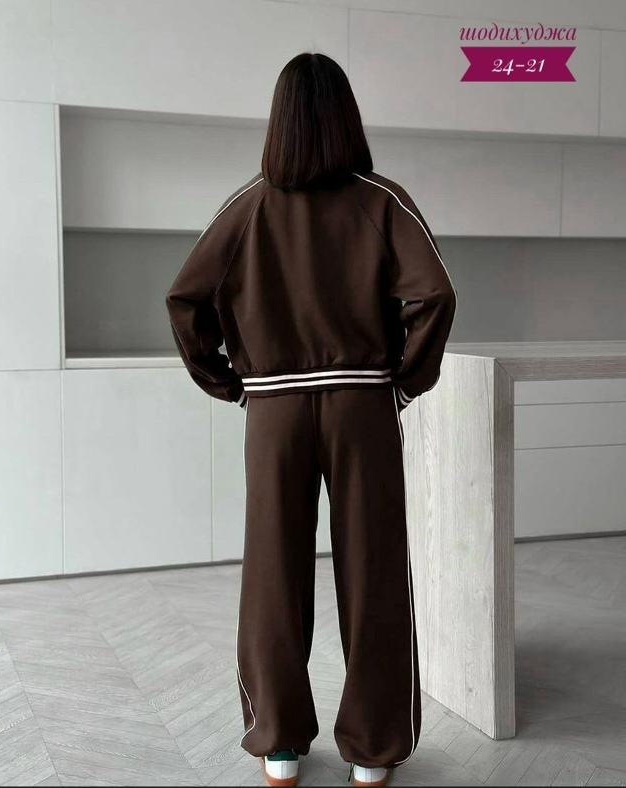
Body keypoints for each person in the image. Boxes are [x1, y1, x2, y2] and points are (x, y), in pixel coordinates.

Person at [165, 52, 457, 788]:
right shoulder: (381, 200)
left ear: (279, 119)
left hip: (274, 411)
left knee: (272, 572)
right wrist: (404, 384)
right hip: (362, 405)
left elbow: (185, 300)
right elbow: (436, 295)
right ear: (346, 117)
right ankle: (372, 752)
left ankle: (280, 746)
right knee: (374, 571)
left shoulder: (247, 205)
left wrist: (232, 385)